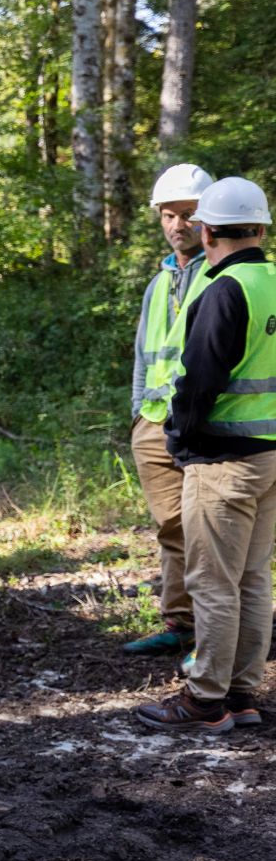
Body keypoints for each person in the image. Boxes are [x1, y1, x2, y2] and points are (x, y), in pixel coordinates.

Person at [138, 177, 276, 734]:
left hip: (222, 460)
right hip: (270, 456)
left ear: (207, 230)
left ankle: (204, 702)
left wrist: (182, 441)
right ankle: (242, 695)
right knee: (252, 579)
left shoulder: (224, 288)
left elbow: (198, 381)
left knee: (213, 583)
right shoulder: (272, 280)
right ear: (262, 229)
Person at [123, 164, 215, 658]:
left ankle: (215, 635)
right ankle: (180, 623)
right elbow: (144, 354)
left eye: (189, 215)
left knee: (210, 533)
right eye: (169, 215)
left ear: (210, 218)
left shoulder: (223, 275)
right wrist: (139, 415)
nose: (178, 225)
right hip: (155, 427)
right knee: (172, 529)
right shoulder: (159, 282)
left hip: (205, 428)